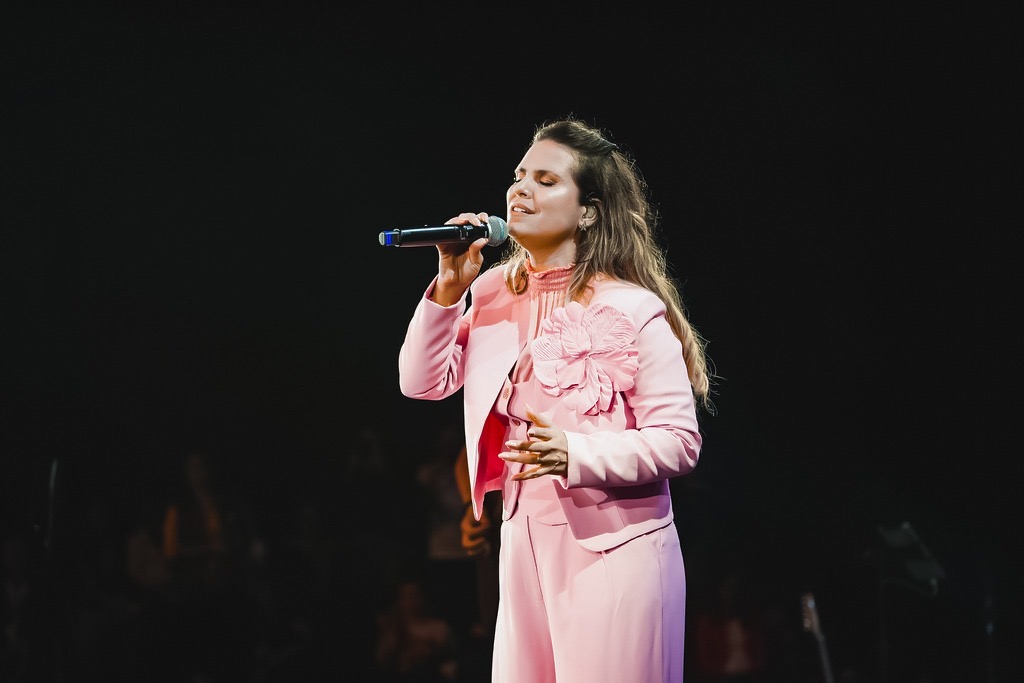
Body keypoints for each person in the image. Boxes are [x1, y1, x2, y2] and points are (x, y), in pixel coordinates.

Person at [397, 116, 713, 683]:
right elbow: (421, 382)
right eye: (519, 176)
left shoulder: (632, 306)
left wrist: (577, 454)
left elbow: (679, 441)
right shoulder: (492, 290)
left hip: (616, 549)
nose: (521, 189)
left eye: (545, 180)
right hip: (521, 547)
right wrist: (449, 286)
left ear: (588, 209)